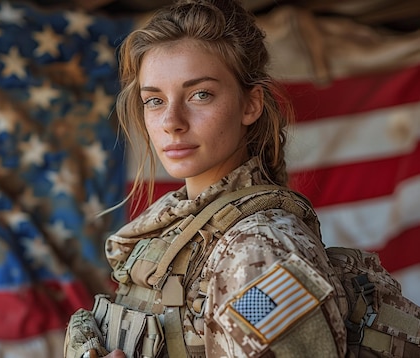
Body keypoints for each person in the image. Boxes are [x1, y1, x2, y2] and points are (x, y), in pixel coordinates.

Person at [65, 0, 348, 357]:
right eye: (154, 100)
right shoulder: (178, 231)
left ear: (251, 104)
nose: (172, 120)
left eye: (200, 95)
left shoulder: (258, 250)